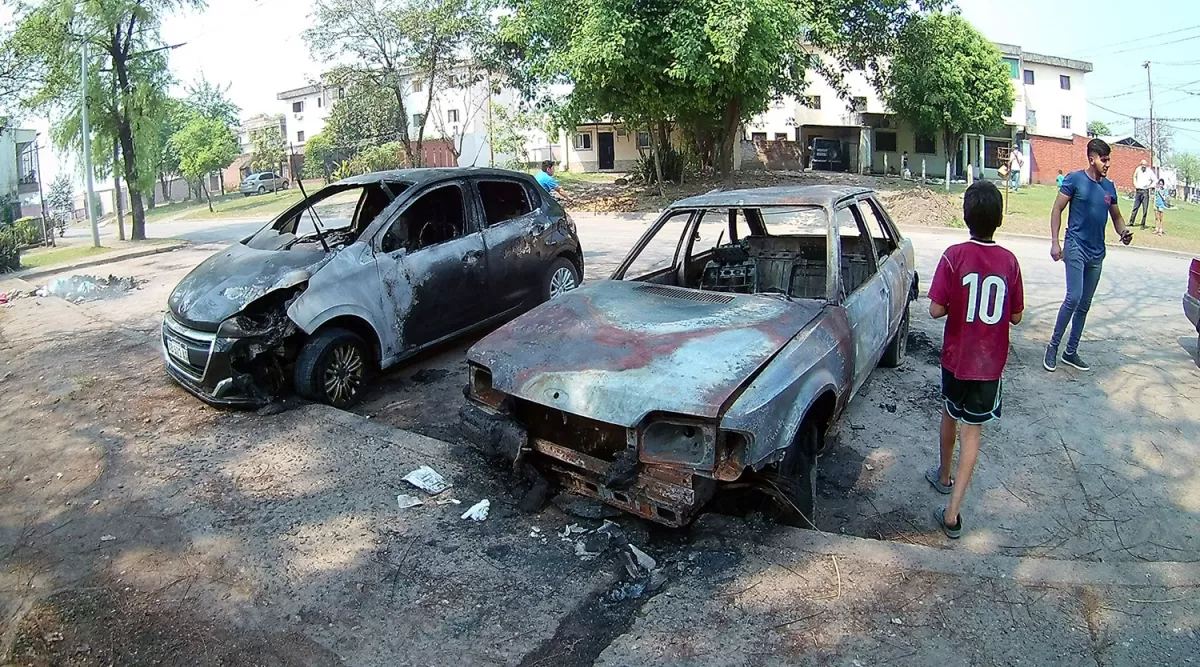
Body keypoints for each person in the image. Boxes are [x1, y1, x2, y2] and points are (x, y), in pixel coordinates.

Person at [926, 180, 1024, 539]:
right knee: (973, 432)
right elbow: (1016, 316)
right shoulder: (1009, 262)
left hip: (956, 359)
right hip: (989, 365)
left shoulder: (954, 255)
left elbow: (936, 309)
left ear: (965, 217)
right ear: (999, 219)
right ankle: (953, 512)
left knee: (949, 412)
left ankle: (942, 474)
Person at [1045, 138, 1134, 373]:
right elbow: (1057, 209)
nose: (1107, 164)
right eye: (1103, 159)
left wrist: (1123, 231)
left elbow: (1116, 217)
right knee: (1073, 298)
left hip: (1097, 253)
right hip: (1075, 246)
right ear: (1091, 159)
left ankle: (1070, 351)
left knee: (1084, 304)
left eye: (1109, 159)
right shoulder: (1075, 180)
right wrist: (1055, 243)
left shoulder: (1109, 188)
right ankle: (1053, 347)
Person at [1129, 160, 1155, 228]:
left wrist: (1150, 186)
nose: (1143, 167)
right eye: (1142, 165)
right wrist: (1135, 184)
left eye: (1144, 165)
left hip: (1145, 191)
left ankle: (1142, 224)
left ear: (1146, 165)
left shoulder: (1149, 171)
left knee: (1145, 209)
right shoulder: (1138, 169)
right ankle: (1131, 222)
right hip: (1138, 191)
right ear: (1141, 165)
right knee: (1135, 207)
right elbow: (1134, 177)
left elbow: (1155, 180)